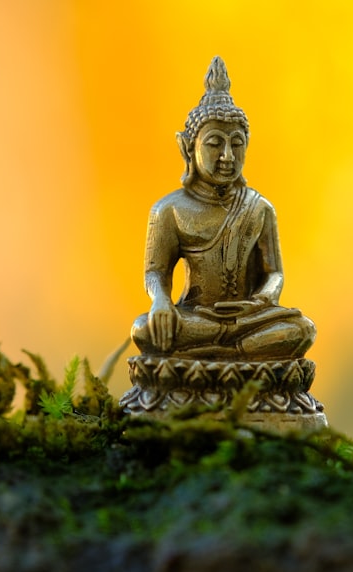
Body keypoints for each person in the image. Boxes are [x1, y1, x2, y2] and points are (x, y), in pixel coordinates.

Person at [131, 56, 316, 361]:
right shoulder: (170, 210)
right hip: (196, 319)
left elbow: (274, 274)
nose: (227, 155)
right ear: (187, 147)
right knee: (143, 329)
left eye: (237, 143)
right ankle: (236, 356)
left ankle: (219, 355)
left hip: (248, 321)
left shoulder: (259, 208)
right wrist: (161, 302)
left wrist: (260, 302)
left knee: (301, 329)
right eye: (215, 143)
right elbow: (156, 272)